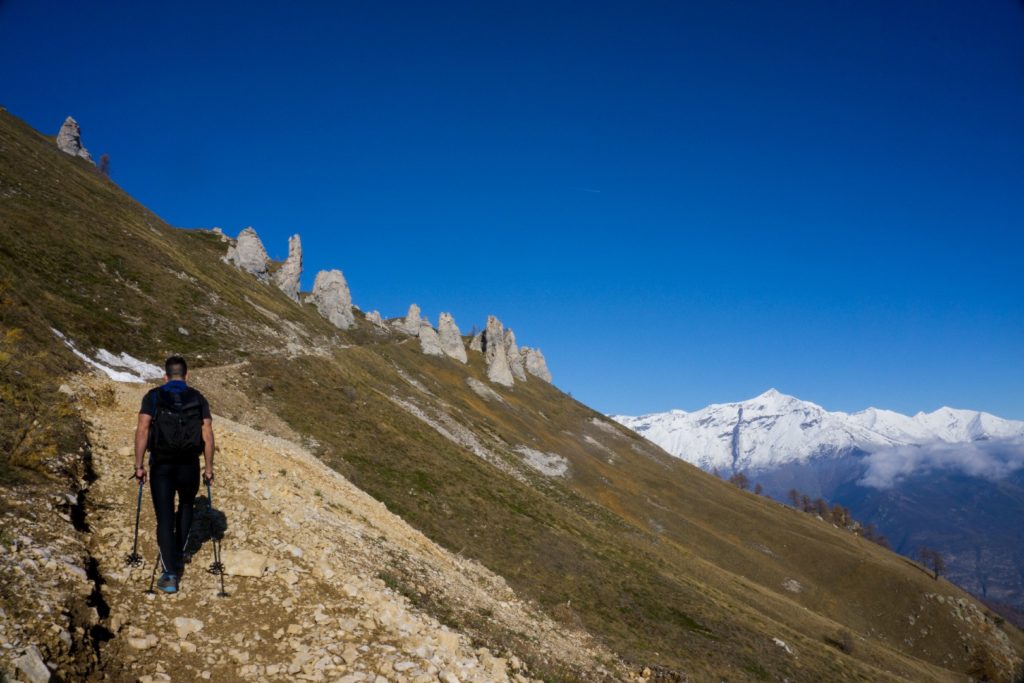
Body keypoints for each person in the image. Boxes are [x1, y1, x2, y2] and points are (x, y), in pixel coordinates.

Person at [133, 355, 214, 593]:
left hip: (162, 466)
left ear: (165, 376)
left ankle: (169, 574)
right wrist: (208, 468)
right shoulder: (198, 398)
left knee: (164, 517)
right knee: (187, 505)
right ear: (187, 376)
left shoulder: (154, 396)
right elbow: (207, 435)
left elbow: (142, 429)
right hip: (189, 465)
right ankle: (179, 553)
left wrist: (139, 465)